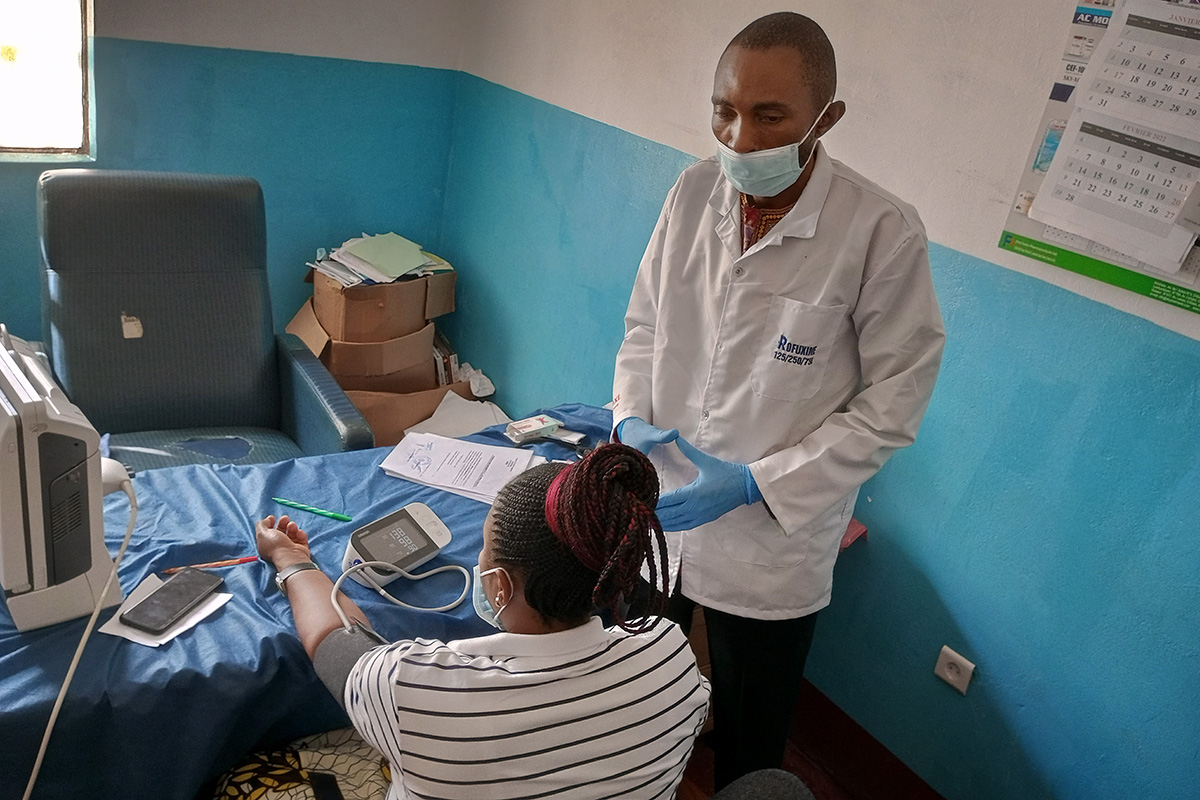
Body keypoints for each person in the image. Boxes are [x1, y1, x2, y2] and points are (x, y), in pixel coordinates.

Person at [612, 11, 945, 790]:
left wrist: (757, 483)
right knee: (630, 697)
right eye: (724, 110)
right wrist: (628, 415)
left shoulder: (881, 231)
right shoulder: (693, 190)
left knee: (751, 739)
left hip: (772, 541)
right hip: (665, 503)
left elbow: (895, 402)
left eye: (769, 116)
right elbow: (644, 323)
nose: (740, 138)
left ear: (826, 118)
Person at [255, 443, 710, 800]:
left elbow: (334, 643)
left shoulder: (410, 688)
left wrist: (291, 559)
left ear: (499, 587)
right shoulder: (669, 656)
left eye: (484, 550)